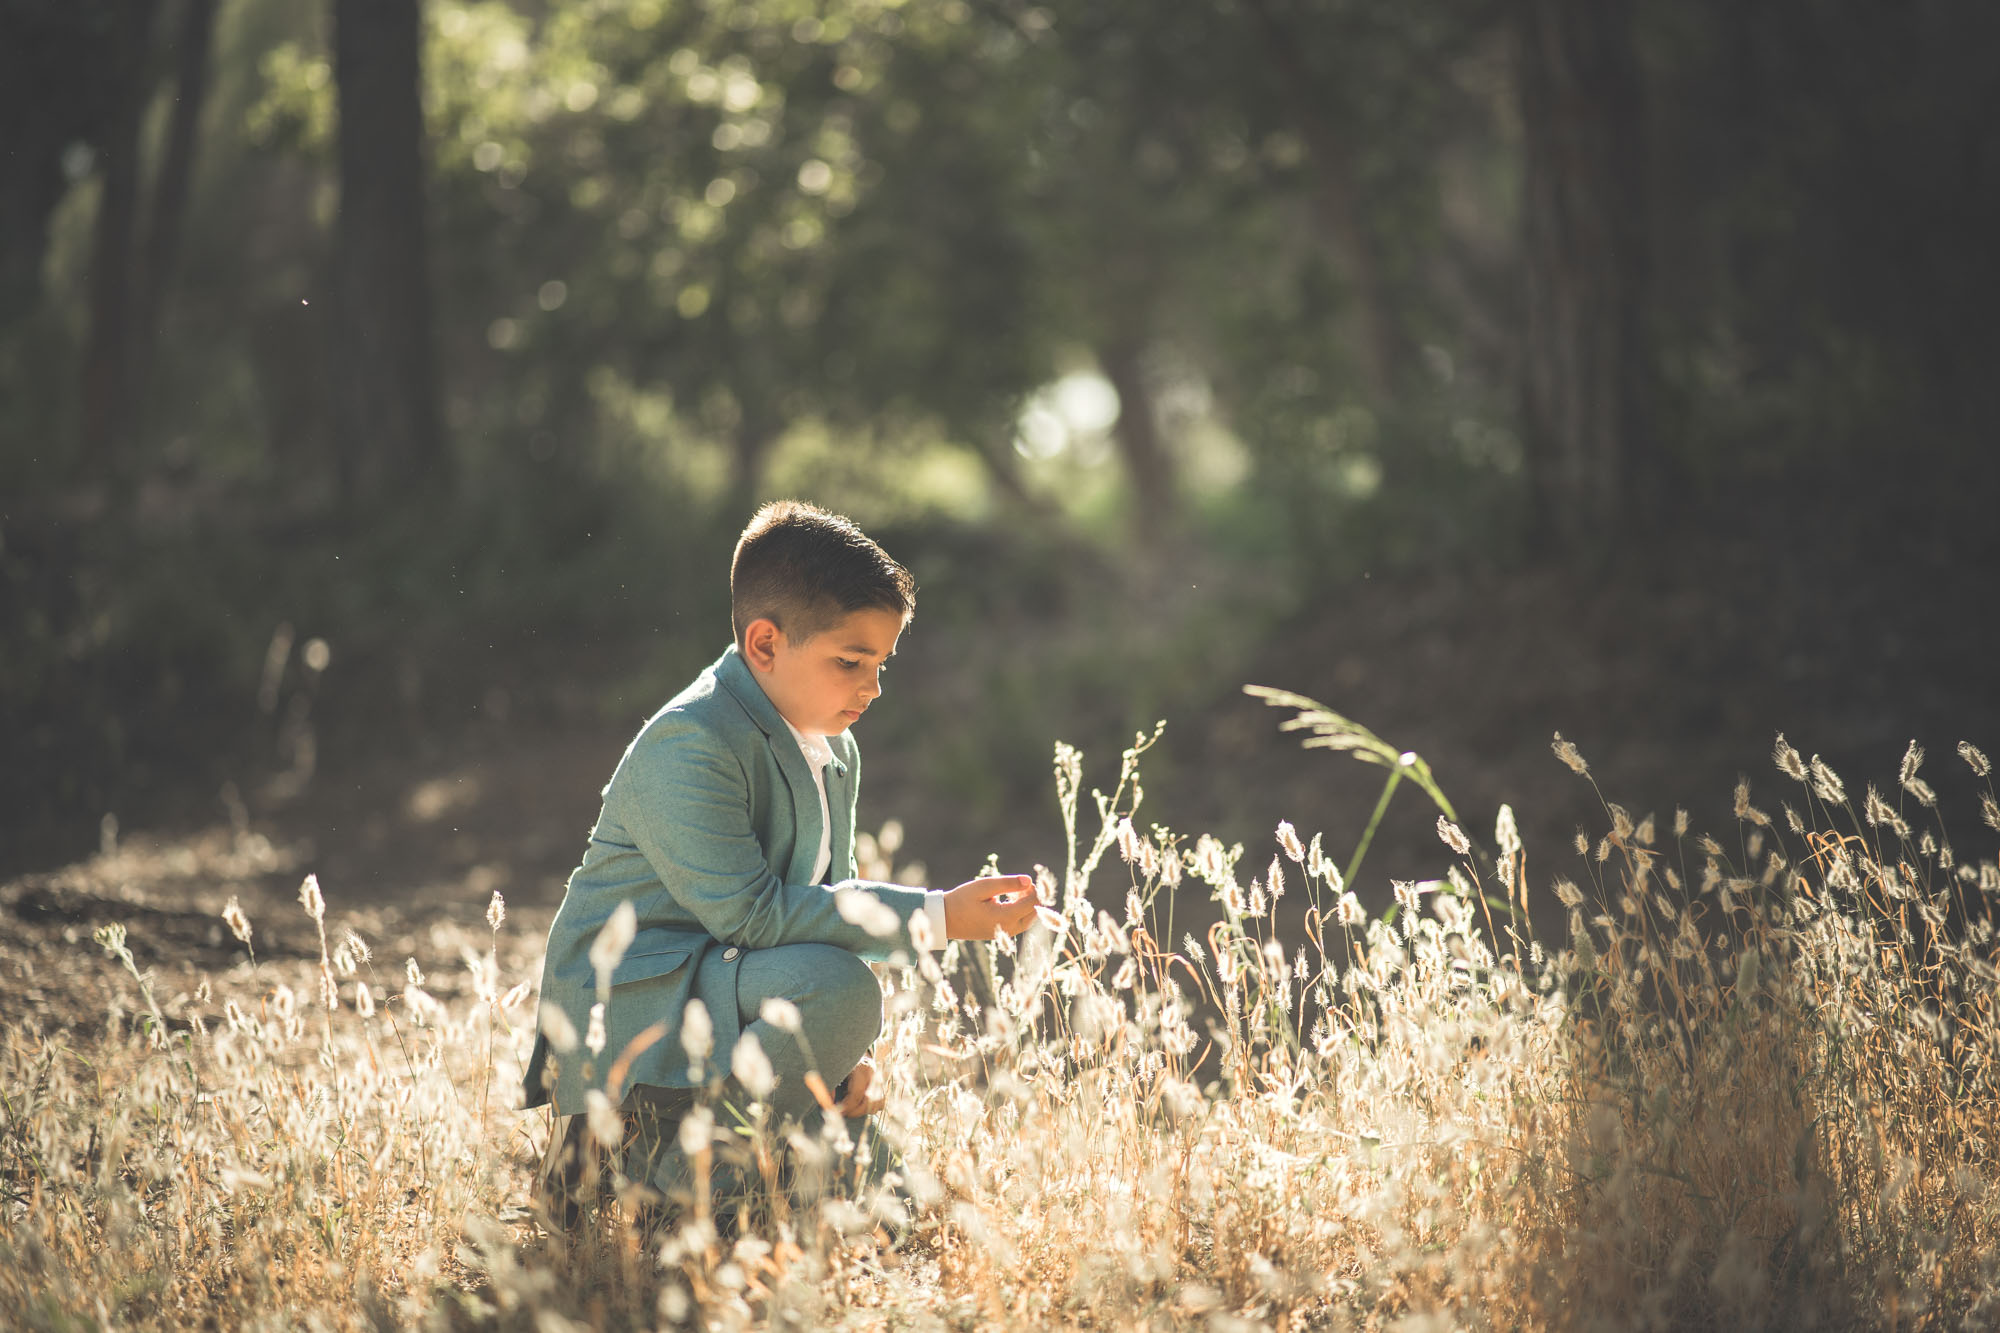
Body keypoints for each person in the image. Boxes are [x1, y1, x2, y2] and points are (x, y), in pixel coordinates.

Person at [522, 500, 1039, 1230]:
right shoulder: (690, 740)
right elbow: (754, 915)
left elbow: (829, 906)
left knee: (892, 1200)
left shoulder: (833, 747)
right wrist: (937, 916)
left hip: (735, 984)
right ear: (764, 643)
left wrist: (846, 1055)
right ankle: (668, 1178)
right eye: (850, 661)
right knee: (840, 991)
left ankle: (711, 1164)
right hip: (641, 1003)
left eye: (881, 664)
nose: (872, 686)